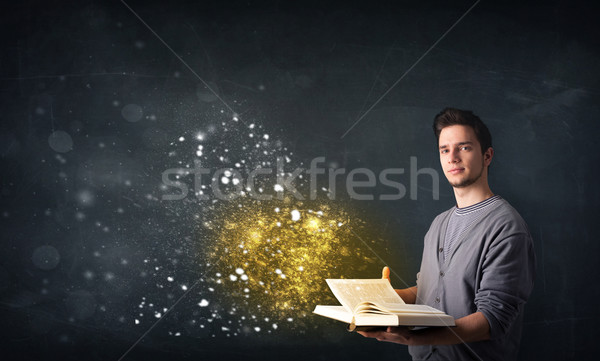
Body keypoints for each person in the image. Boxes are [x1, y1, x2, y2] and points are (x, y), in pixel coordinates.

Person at [358, 108, 536, 361]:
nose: (452, 157)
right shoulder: (438, 224)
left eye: (463, 148)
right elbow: (429, 290)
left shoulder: (507, 227)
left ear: (487, 156)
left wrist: (414, 337)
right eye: (444, 150)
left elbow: (492, 320)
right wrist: (387, 298)